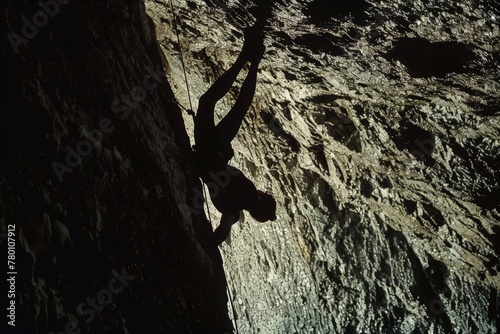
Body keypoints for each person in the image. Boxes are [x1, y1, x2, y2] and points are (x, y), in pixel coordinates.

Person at [193, 24, 277, 245]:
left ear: (263, 198)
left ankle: (250, 57)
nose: (263, 191)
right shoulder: (234, 211)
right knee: (215, 104)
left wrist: (210, 245)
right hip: (210, 151)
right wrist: (209, 245)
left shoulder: (242, 203)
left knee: (226, 105)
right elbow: (223, 229)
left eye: (266, 194)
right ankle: (250, 55)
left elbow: (223, 229)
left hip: (211, 149)